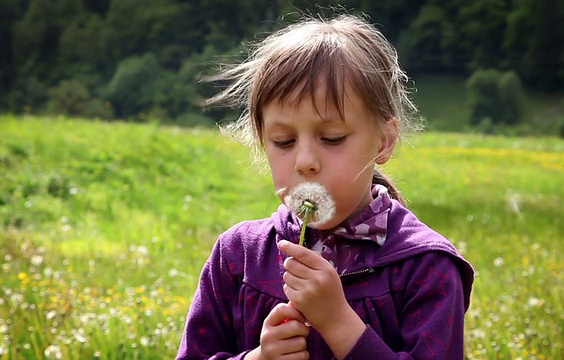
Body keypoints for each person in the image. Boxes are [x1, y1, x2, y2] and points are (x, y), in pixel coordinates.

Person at [176, 13, 474, 360]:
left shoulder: (425, 267)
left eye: (332, 138)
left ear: (383, 141)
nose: (304, 161)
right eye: (284, 141)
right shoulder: (238, 256)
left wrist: (339, 323)